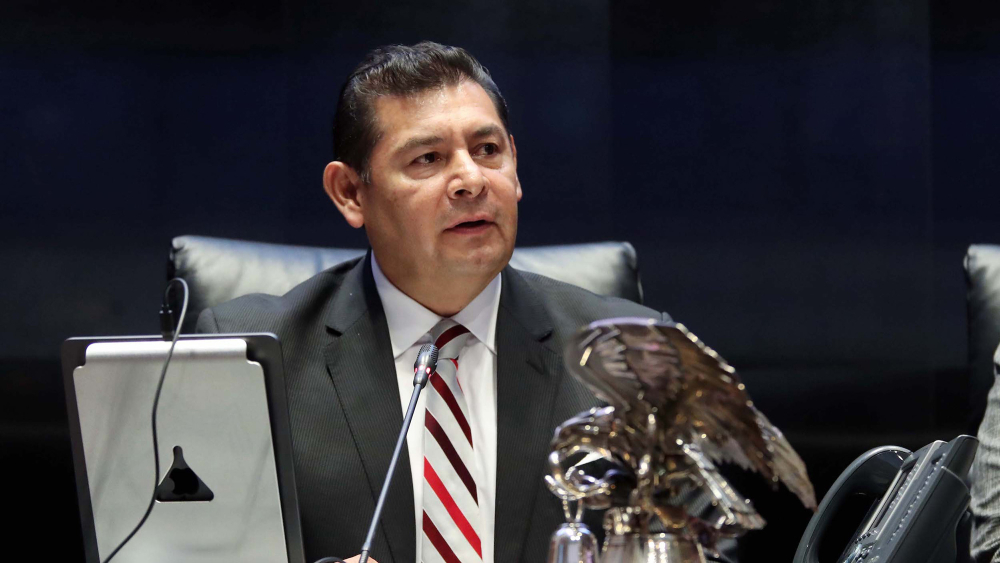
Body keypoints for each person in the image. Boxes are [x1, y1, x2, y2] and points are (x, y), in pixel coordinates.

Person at [197, 41, 672, 563]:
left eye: (488, 150)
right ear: (351, 193)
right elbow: (188, 549)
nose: (471, 180)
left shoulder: (631, 356)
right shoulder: (252, 358)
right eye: (428, 159)